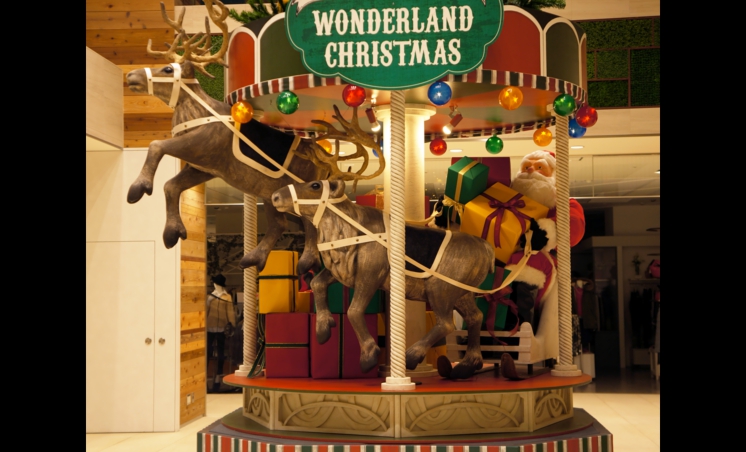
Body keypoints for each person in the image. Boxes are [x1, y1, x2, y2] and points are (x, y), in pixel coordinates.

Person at [504, 150, 586, 331]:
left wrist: (546, 232)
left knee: (531, 263)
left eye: (540, 167)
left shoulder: (564, 204)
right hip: (504, 255)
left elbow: (574, 229)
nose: (530, 170)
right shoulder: (506, 202)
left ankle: (519, 324)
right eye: (526, 166)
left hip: (539, 259)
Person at [206, 273, 236, 392]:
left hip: (222, 328)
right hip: (210, 328)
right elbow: (205, 312)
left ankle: (218, 378)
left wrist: (232, 324)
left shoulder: (227, 297)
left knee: (221, 354)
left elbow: (230, 311)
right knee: (208, 353)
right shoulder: (210, 297)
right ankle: (205, 378)